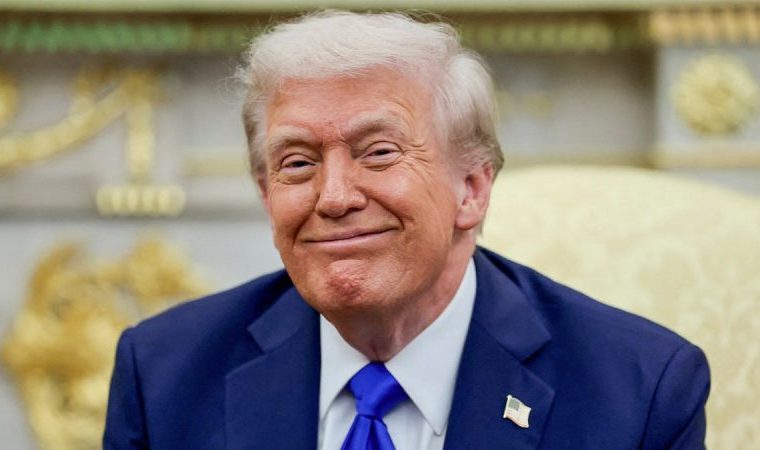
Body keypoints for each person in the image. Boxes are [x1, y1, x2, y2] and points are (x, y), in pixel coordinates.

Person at [104, 11, 710, 450]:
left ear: (472, 188)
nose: (334, 197)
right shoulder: (165, 375)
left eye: (379, 153)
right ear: (267, 196)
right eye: (298, 163)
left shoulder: (636, 391)